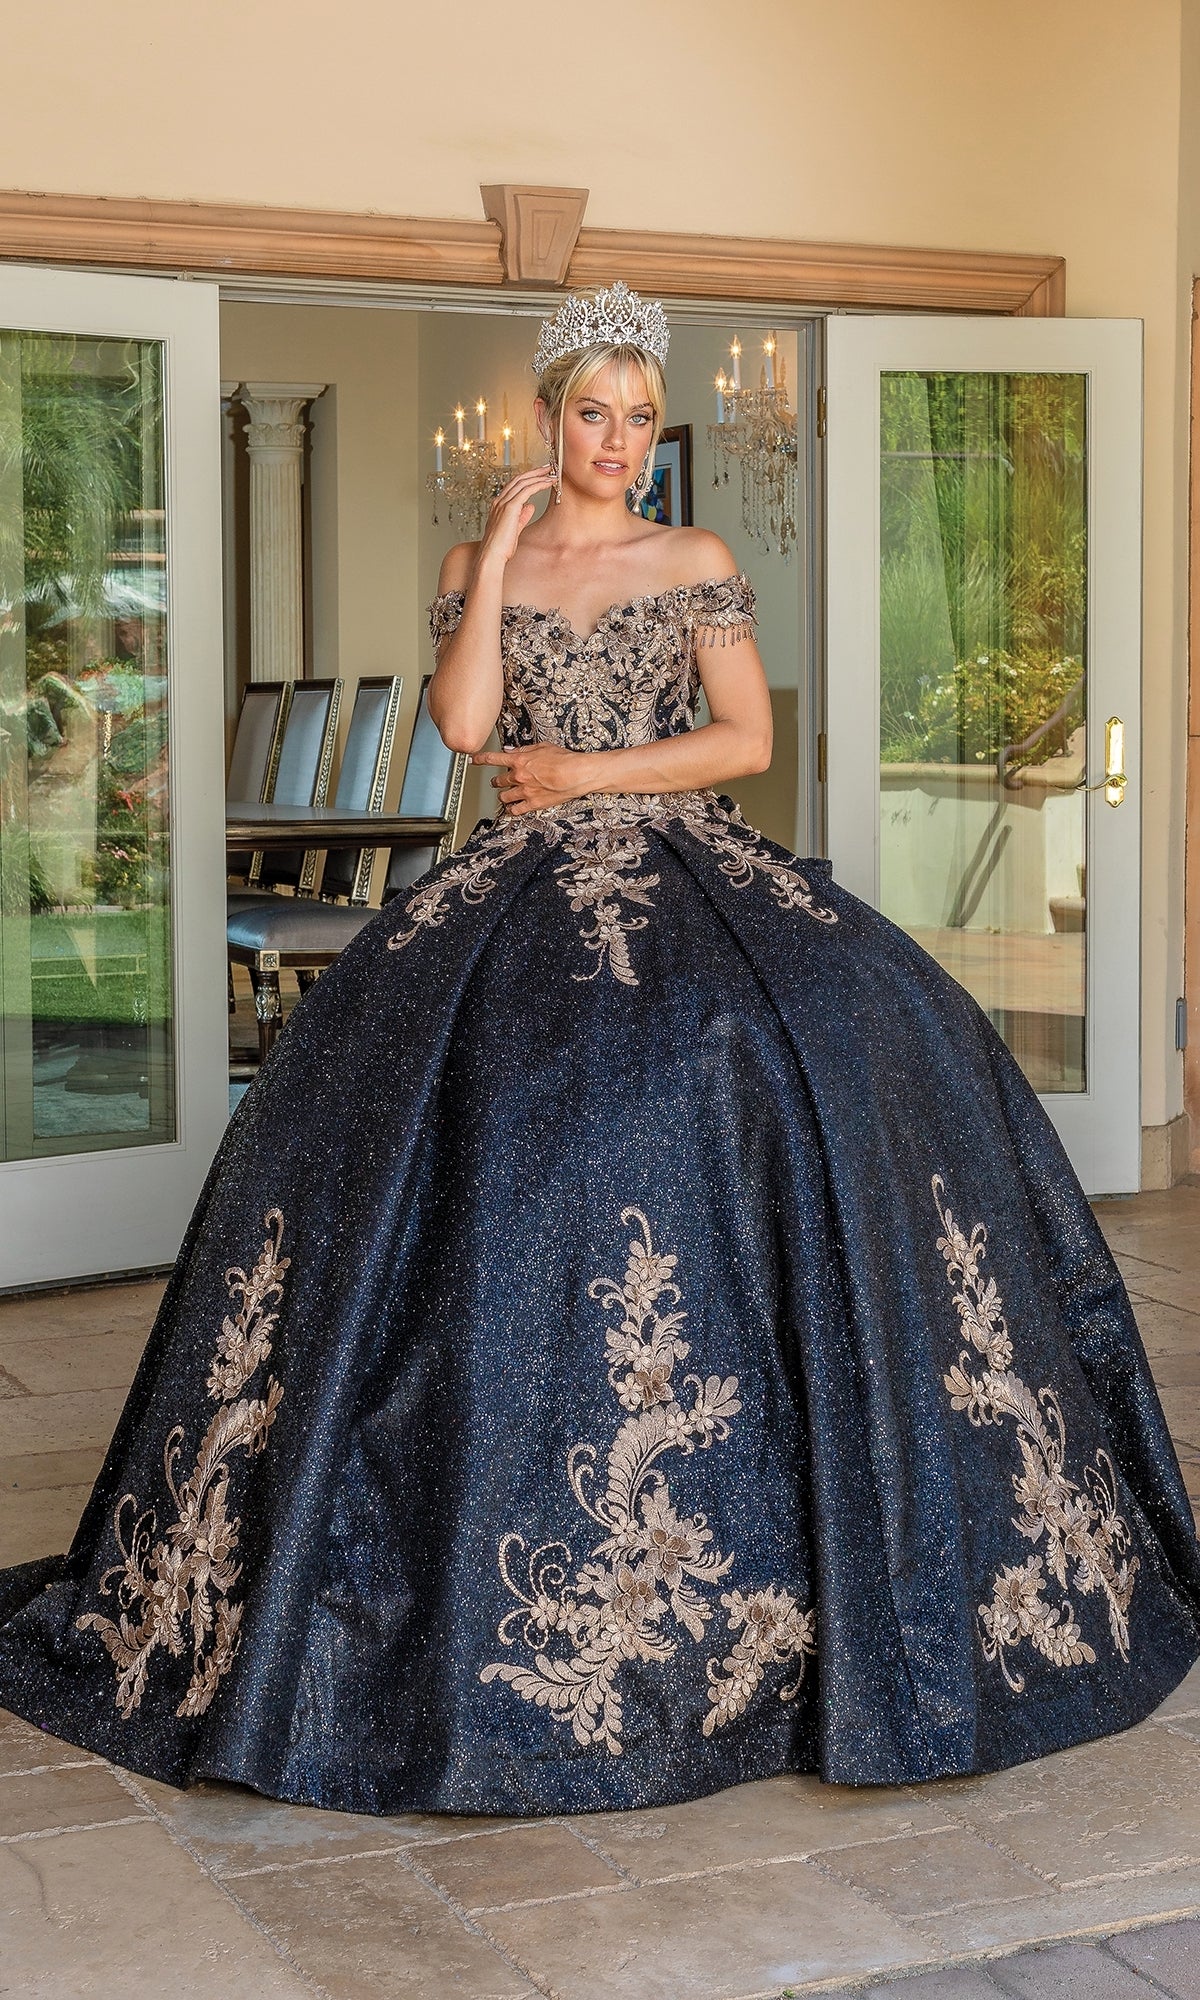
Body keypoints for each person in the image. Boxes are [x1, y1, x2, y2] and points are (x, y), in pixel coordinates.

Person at [0, 283, 1196, 1818]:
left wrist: (586, 774)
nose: (620, 444)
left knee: (793, 1080)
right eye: (594, 415)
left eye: (639, 419)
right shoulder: (484, 558)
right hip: (509, 892)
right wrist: (496, 561)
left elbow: (745, 741)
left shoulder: (692, 560)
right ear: (549, 415)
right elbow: (457, 721)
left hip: (682, 864)